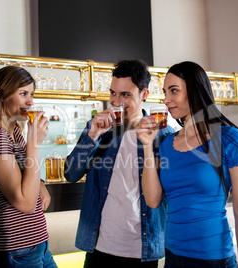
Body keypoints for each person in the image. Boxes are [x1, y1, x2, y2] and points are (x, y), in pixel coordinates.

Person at [139, 61, 238, 267]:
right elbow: (153, 200)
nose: (166, 99)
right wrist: (147, 146)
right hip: (173, 256)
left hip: (214, 257)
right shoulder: (166, 143)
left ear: (194, 90)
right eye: (165, 92)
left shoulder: (230, 139)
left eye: (174, 91)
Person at [64, 59, 175, 267]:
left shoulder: (163, 135)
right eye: (113, 93)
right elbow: (71, 173)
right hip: (99, 248)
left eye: (126, 95)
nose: (116, 102)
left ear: (144, 95)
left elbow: (168, 194)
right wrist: (93, 134)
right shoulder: (98, 128)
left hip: (142, 250)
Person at [0, 65, 57, 268]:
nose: (30, 102)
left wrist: (40, 183)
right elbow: (25, 203)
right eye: (23, 94)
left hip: (38, 245)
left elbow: (25, 173)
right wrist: (34, 144)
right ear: (2, 95)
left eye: (31, 94)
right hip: (16, 252)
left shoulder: (16, 132)